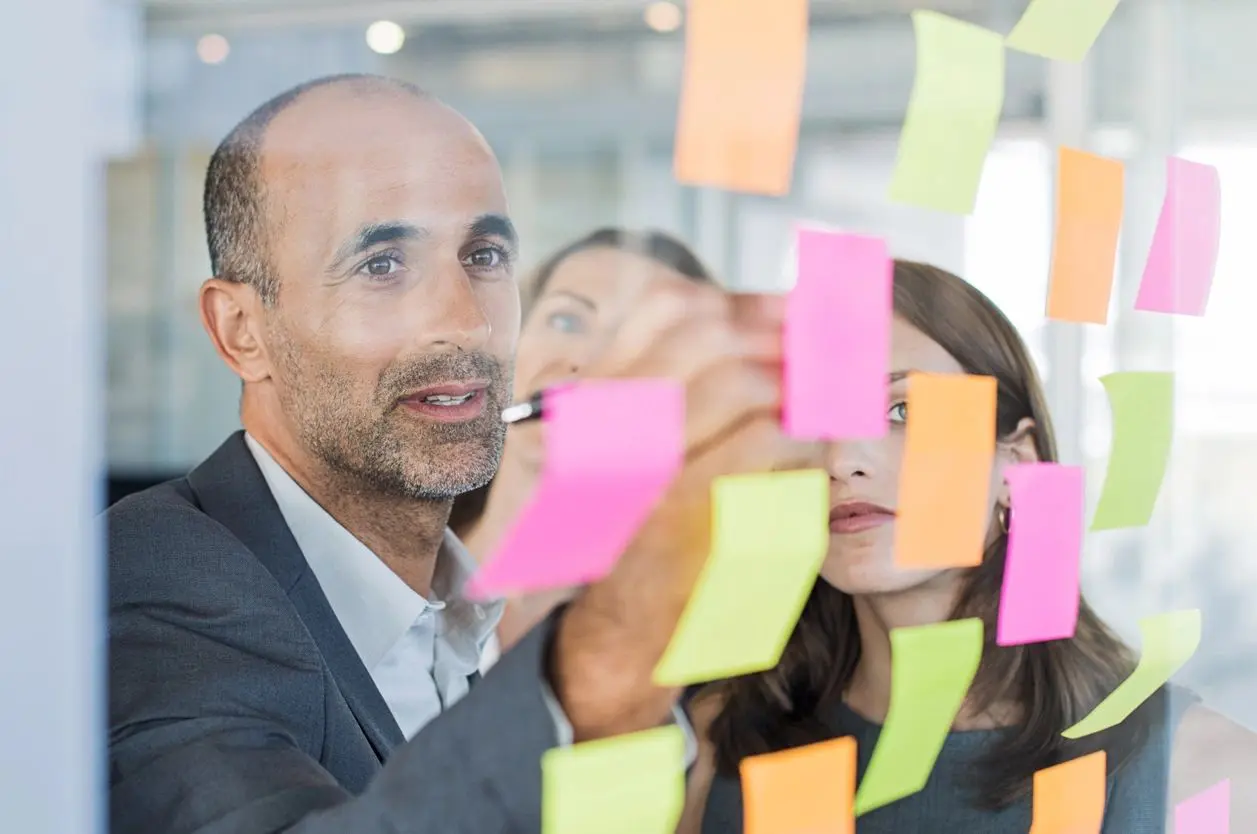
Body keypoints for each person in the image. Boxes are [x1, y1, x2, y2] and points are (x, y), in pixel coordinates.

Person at [107, 73, 811, 834]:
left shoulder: (462, 615)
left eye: (483, 255)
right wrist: (616, 642)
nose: (465, 322)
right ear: (242, 330)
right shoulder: (153, 574)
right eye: (382, 264)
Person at [679, 260, 1257, 833]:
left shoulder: (1200, 775)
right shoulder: (726, 736)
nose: (842, 460)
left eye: (903, 409)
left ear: (1016, 461)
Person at [449, 227, 715, 652]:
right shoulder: (393, 568)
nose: (584, 360)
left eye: (636, 339)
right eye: (567, 320)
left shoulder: (686, 628)